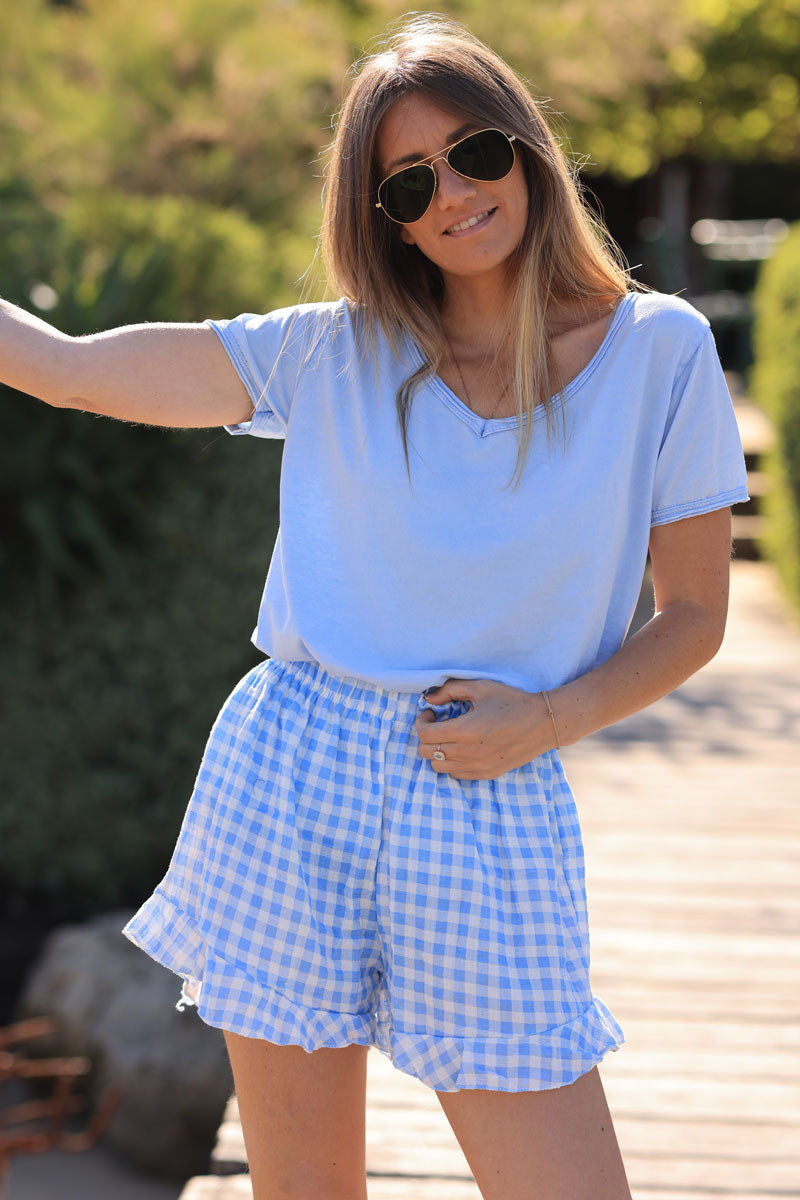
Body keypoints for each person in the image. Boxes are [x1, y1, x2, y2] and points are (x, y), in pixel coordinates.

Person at [2, 14, 749, 1200]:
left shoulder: (658, 352)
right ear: (382, 216)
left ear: (528, 149)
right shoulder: (328, 353)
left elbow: (694, 614)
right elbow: (70, 368)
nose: (452, 193)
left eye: (475, 153)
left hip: (484, 782)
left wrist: (544, 721)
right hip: (293, 771)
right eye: (409, 182)